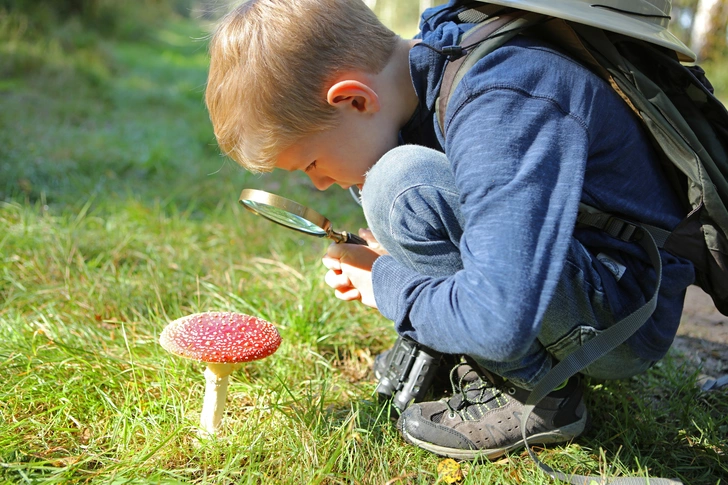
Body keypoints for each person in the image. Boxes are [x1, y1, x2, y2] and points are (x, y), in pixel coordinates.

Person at [204, 0, 696, 460]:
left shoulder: (501, 99)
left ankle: (535, 393)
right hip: (572, 272)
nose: (319, 184)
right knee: (387, 181)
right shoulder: (431, 70)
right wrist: (392, 250)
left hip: (624, 314)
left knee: (396, 184)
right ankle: (466, 350)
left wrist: (385, 283)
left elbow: (497, 323)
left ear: (353, 99)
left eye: (311, 162)